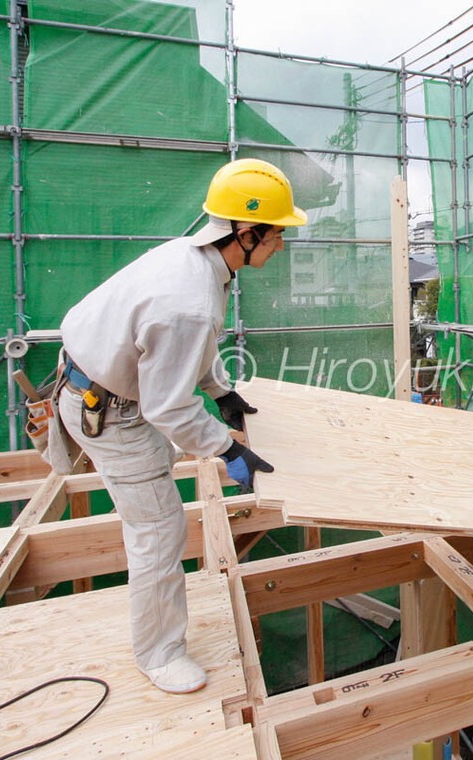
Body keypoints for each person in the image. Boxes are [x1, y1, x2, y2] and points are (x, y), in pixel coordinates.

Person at [56, 158, 306, 694]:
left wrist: (219, 389)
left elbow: (183, 349)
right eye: (277, 234)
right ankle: (159, 653)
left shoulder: (193, 261)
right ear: (246, 231)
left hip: (97, 384)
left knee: (160, 478)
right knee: (158, 529)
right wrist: (226, 448)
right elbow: (166, 409)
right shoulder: (188, 302)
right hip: (109, 410)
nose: (281, 246)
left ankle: (158, 639)